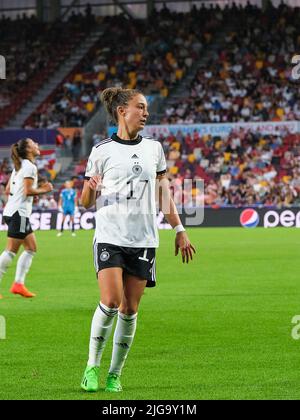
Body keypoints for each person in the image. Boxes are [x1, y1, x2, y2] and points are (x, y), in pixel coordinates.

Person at [80, 87, 196, 393]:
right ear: (122, 111)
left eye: (145, 108)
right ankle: (92, 366)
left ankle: (114, 374)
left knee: (130, 309)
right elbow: (85, 201)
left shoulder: (154, 149)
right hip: (110, 236)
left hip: (144, 239)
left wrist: (179, 229)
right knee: (111, 300)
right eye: (140, 107)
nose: (145, 113)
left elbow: (163, 193)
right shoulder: (101, 151)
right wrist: (92, 187)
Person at [0, 139, 53, 299]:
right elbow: (27, 191)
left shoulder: (19, 166)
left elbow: (9, 189)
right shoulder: (29, 166)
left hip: (13, 211)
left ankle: (18, 284)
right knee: (10, 251)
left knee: (31, 248)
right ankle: (18, 284)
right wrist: (44, 190)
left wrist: (28, 196)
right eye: (33, 143)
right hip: (19, 213)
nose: (37, 145)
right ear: (29, 149)